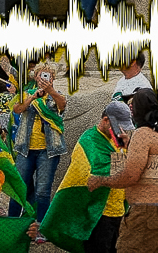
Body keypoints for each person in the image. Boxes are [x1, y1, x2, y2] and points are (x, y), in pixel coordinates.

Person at [87, 89, 158, 253]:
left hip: (144, 213)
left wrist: (100, 180)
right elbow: (155, 173)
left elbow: (131, 176)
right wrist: (130, 147)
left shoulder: (142, 134)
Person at [43, 101, 134, 253]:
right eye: (118, 125)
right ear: (106, 120)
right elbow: (98, 171)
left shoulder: (116, 141)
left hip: (119, 213)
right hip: (99, 214)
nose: (122, 130)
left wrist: (127, 149)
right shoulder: (89, 140)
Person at [8, 62, 67, 226]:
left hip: (48, 150)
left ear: (53, 78)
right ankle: (13, 224)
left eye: (48, 75)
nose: (44, 78)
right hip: (25, 149)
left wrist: (50, 91)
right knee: (18, 188)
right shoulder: (27, 93)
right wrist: (33, 97)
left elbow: (62, 105)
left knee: (43, 191)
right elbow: (17, 109)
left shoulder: (57, 95)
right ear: (36, 76)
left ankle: (41, 227)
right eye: (42, 74)